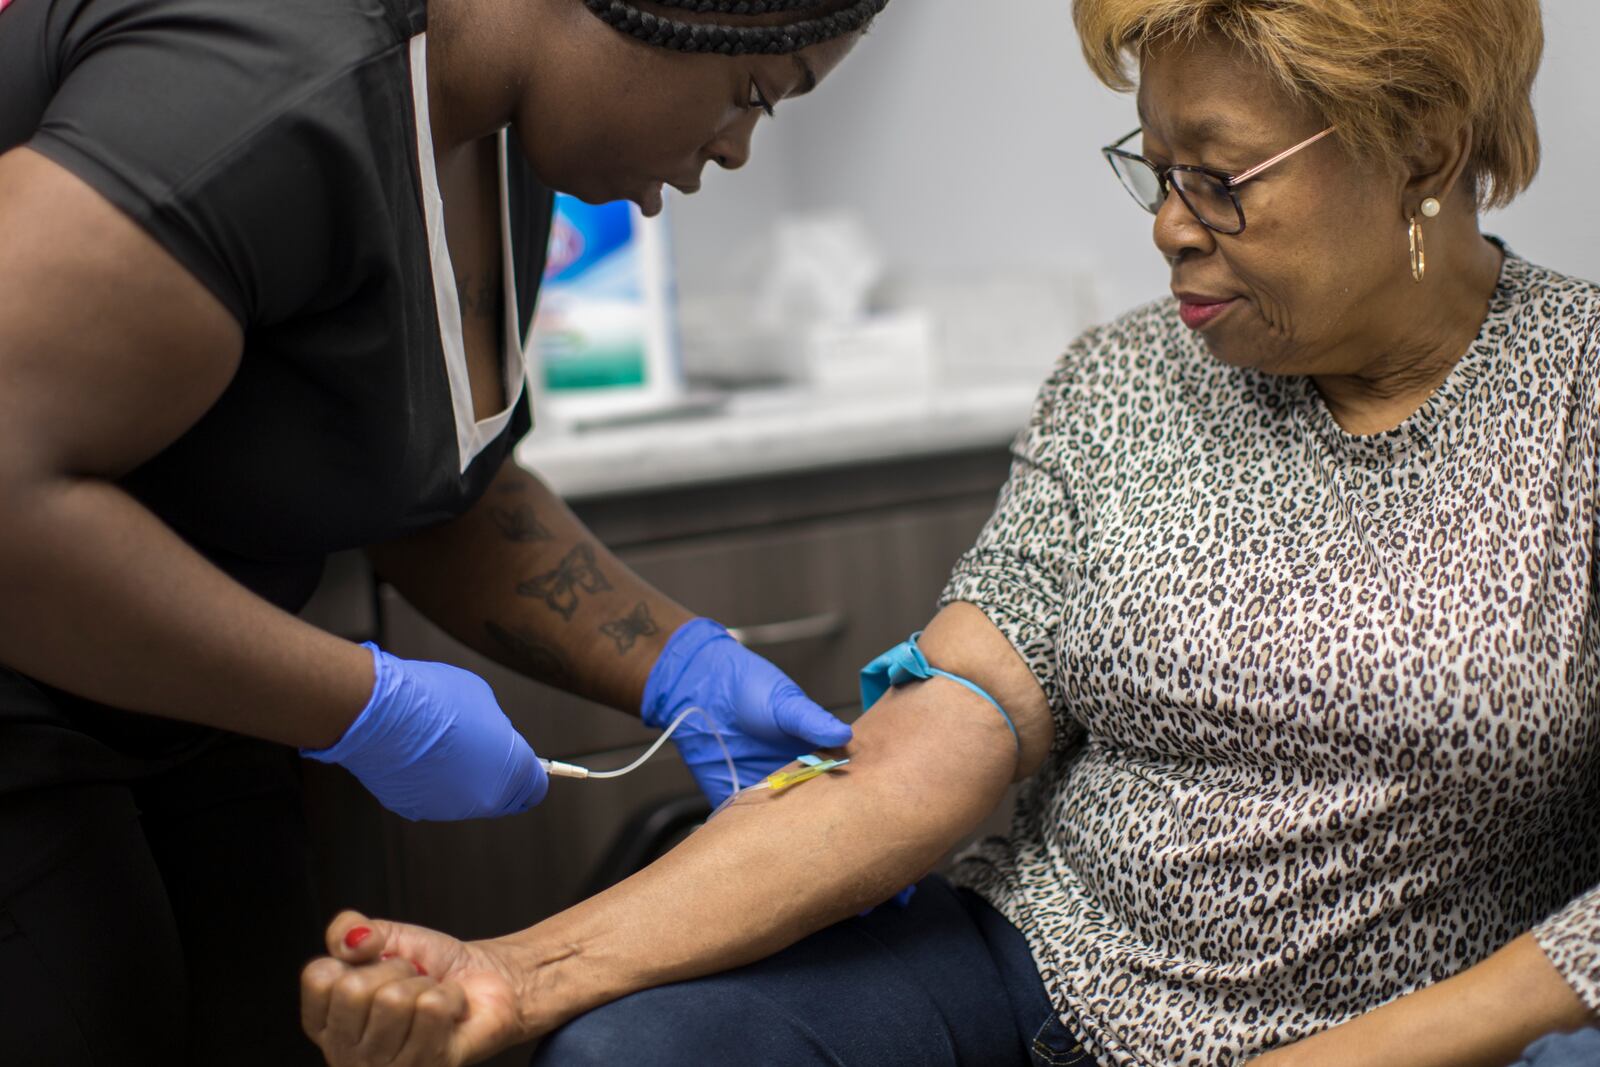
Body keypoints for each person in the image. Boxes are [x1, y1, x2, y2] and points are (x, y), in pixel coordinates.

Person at [298, 0, 1600, 1064]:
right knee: (642, 1052)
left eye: (1219, 178)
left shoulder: (1582, 397)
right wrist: (517, 974)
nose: (1166, 225)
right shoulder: (1126, 383)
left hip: (1438, 1013)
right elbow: (936, 748)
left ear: (1423, 153)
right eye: (1154, 170)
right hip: (1044, 965)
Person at [0, 1, 891, 1063]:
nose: (738, 147)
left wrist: (679, 665)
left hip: (174, 686)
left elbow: (417, 480)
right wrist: (361, 704)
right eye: (753, 92)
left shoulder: (491, 131)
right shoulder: (270, 90)